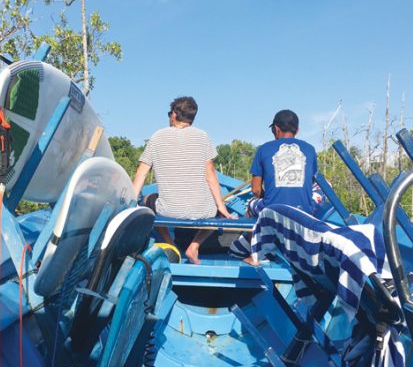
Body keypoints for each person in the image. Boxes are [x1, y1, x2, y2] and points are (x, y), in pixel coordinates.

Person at [132, 96, 235, 264]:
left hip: (168, 211)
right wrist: (221, 207)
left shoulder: (157, 136)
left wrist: (131, 204)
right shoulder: (202, 136)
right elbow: (211, 175)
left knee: (147, 200)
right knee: (216, 209)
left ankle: (170, 244)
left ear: (173, 114)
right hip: (201, 211)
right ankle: (194, 246)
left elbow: (141, 174)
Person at [232, 109, 318, 265]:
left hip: (274, 212)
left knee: (251, 203)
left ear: (276, 129)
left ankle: (253, 248)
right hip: (304, 212)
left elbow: (256, 190)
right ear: (297, 130)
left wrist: (268, 196)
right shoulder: (310, 149)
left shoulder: (264, 149)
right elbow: (310, 183)